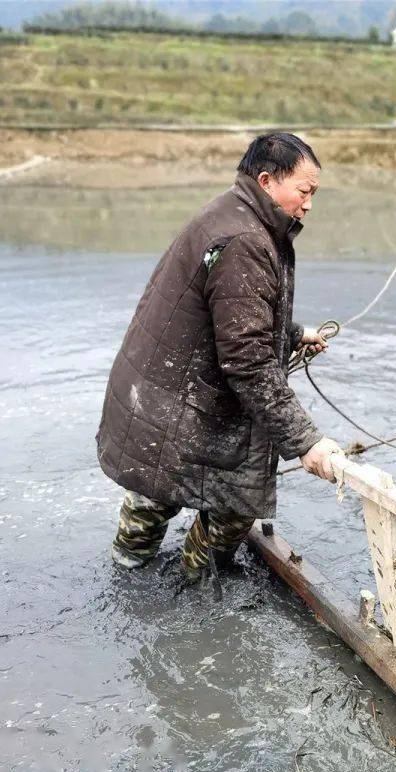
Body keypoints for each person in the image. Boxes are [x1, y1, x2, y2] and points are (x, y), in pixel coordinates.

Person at [95, 132, 343, 582]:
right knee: (234, 502)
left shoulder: (231, 212)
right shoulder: (246, 240)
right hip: (180, 404)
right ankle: (194, 588)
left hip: (157, 395)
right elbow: (247, 361)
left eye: (313, 195)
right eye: (304, 192)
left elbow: (226, 316)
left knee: (152, 495)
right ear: (267, 181)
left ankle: (127, 576)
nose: (308, 205)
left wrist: (291, 335)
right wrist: (306, 442)